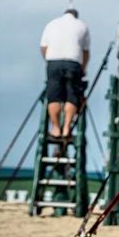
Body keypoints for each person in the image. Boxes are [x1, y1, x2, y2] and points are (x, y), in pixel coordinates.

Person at [40, 8, 90, 139]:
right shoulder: (82, 25)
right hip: (73, 63)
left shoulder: (51, 24)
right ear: (76, 16)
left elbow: (43, 47)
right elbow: (86, 52)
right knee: (72, 95)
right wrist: (83, 69)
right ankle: (66, 128)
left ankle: (55, 129)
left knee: (54, 95)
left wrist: (48, 60)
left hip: (53, 62)